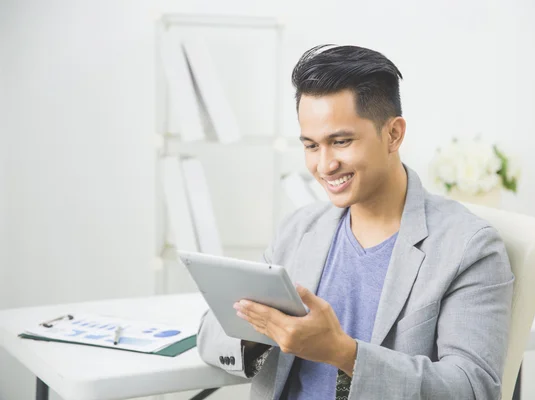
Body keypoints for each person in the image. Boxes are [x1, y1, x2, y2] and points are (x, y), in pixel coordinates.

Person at [197, 44, 514, 400]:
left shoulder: (468, 247)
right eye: (312, 146)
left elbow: (474, 389)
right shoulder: (299, 230)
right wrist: (268, 331)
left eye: (341, 141)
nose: (324, 165)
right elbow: (209, 334)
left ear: (393, 134)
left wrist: (342, 353)